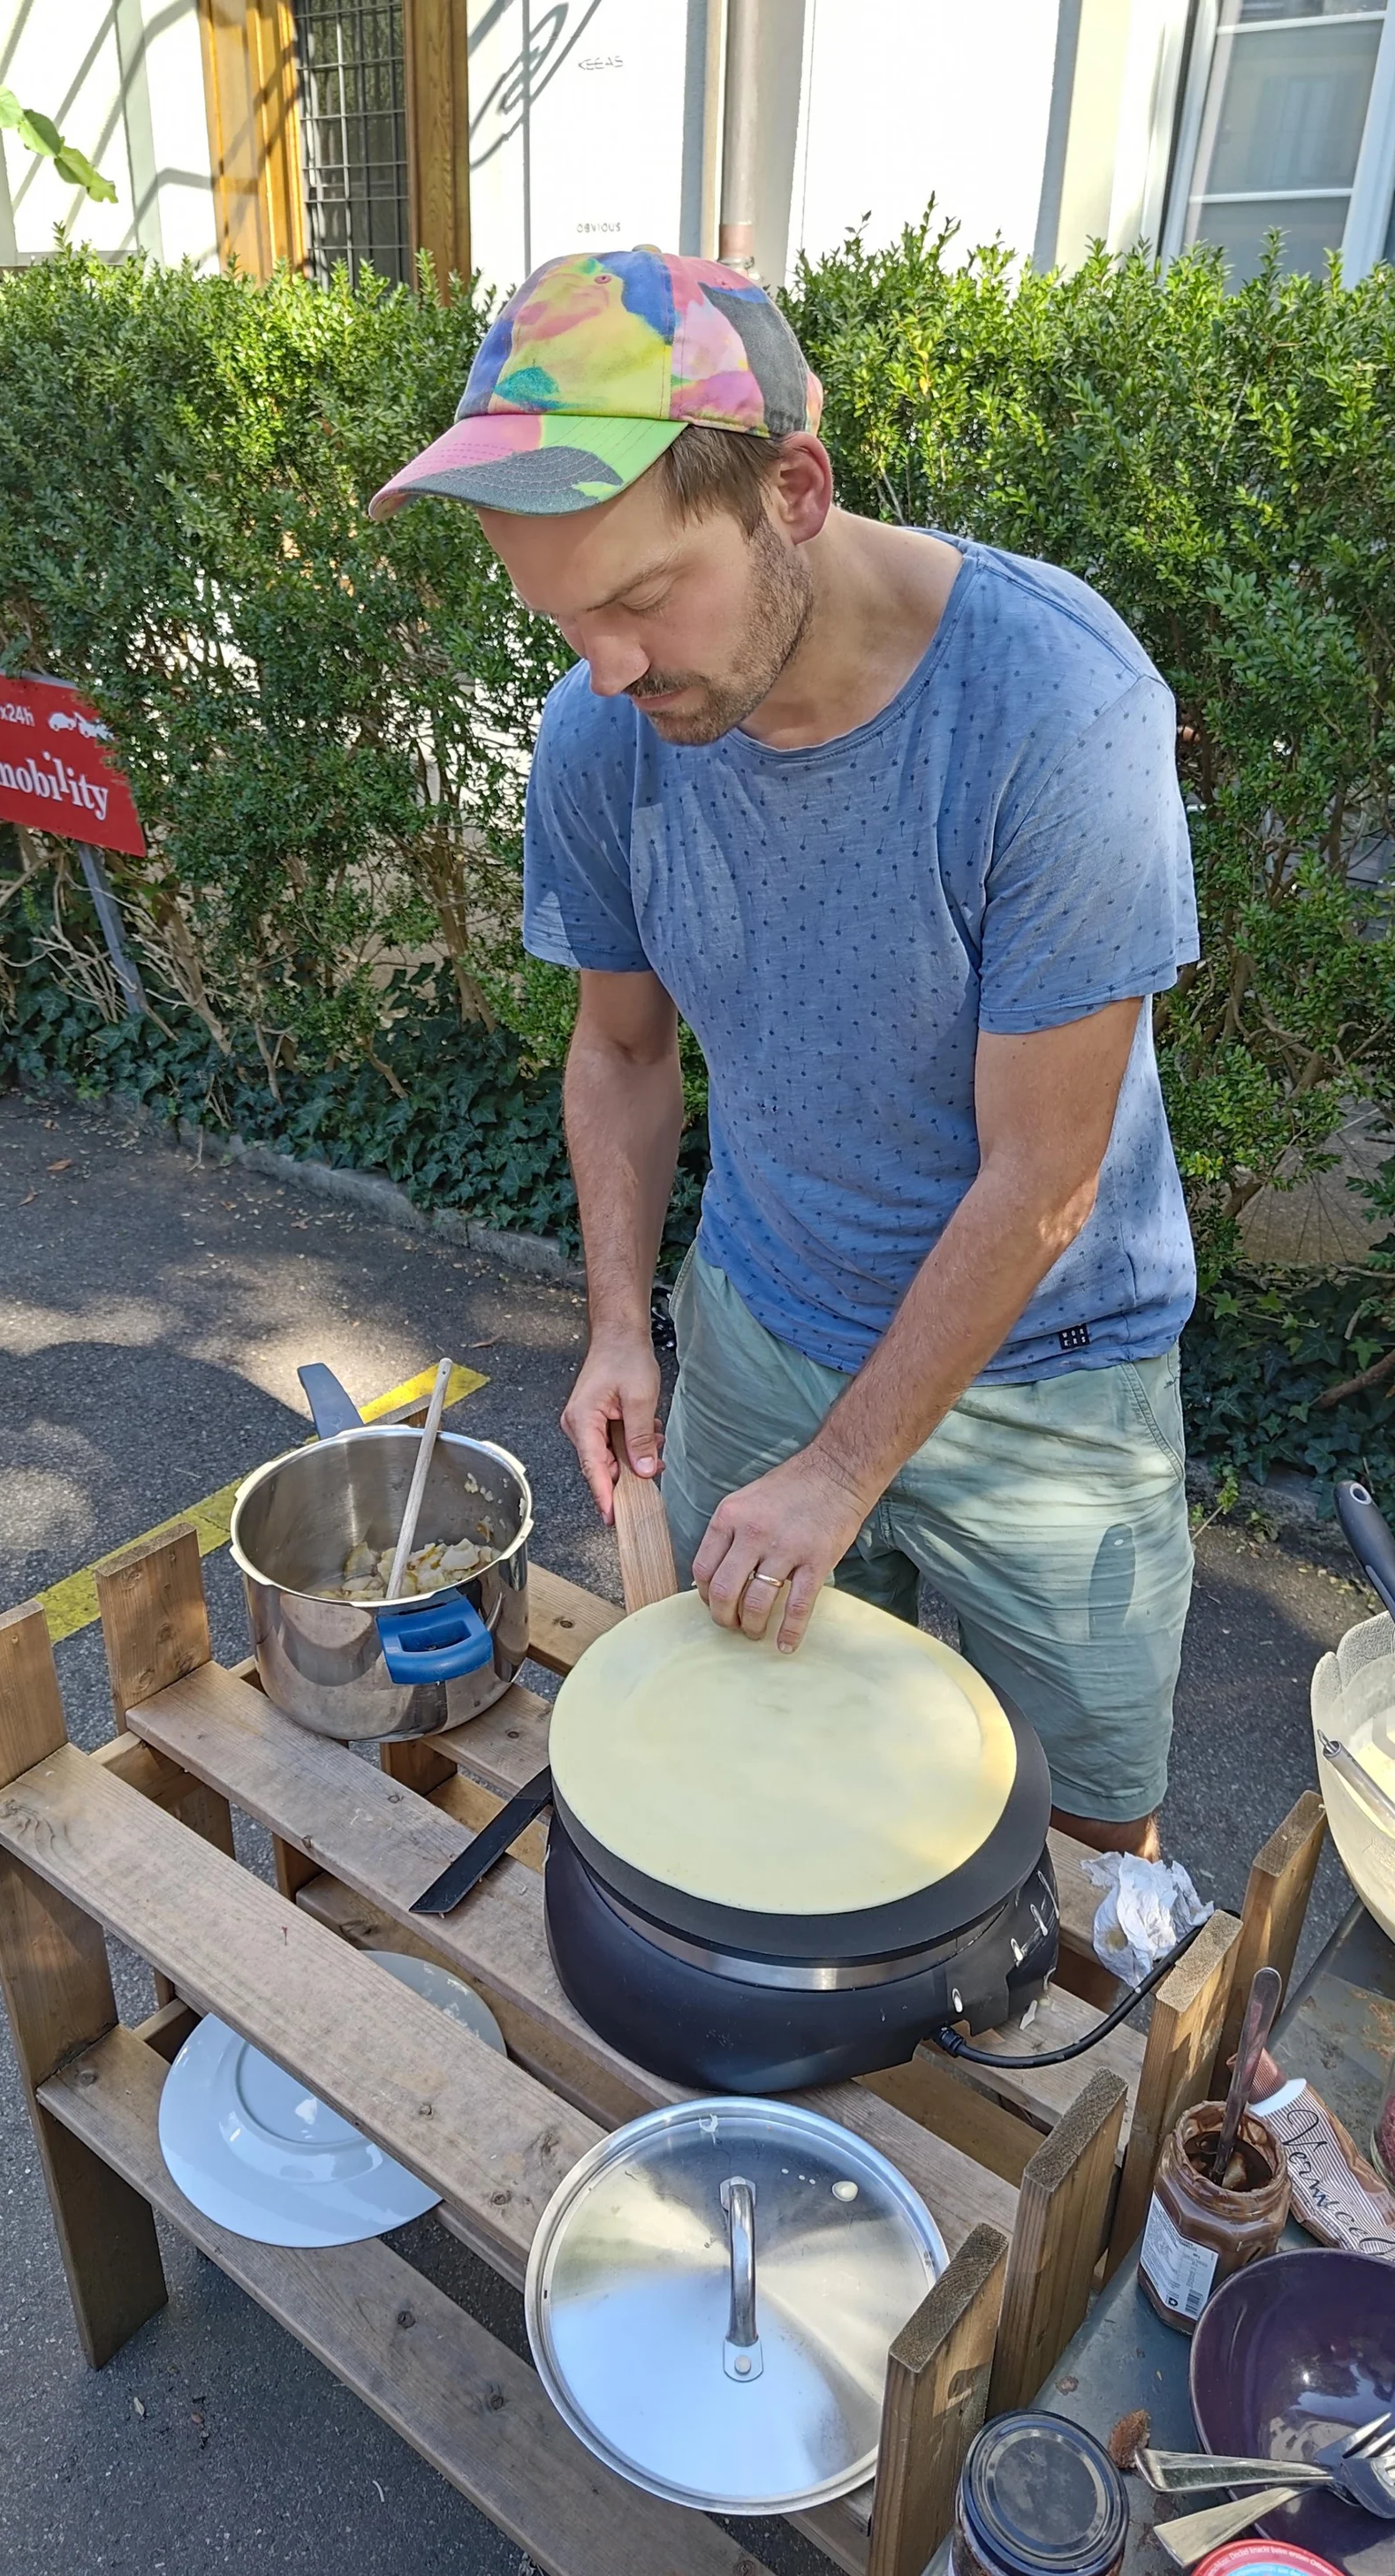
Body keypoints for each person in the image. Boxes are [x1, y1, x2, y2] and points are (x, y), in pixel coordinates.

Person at [370, 247, 1201, 1858]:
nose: (605, 668)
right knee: (749, 1799)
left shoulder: (1056, 715)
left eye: (634, 598)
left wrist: (842, 1473)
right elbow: (619, 1053)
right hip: (759, 1323)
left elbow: (1045, 1178)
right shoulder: (603, 732)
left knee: (1094, 1858)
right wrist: (622, 1328)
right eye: (561, 617)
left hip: (1054, 1383)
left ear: (794, 489)